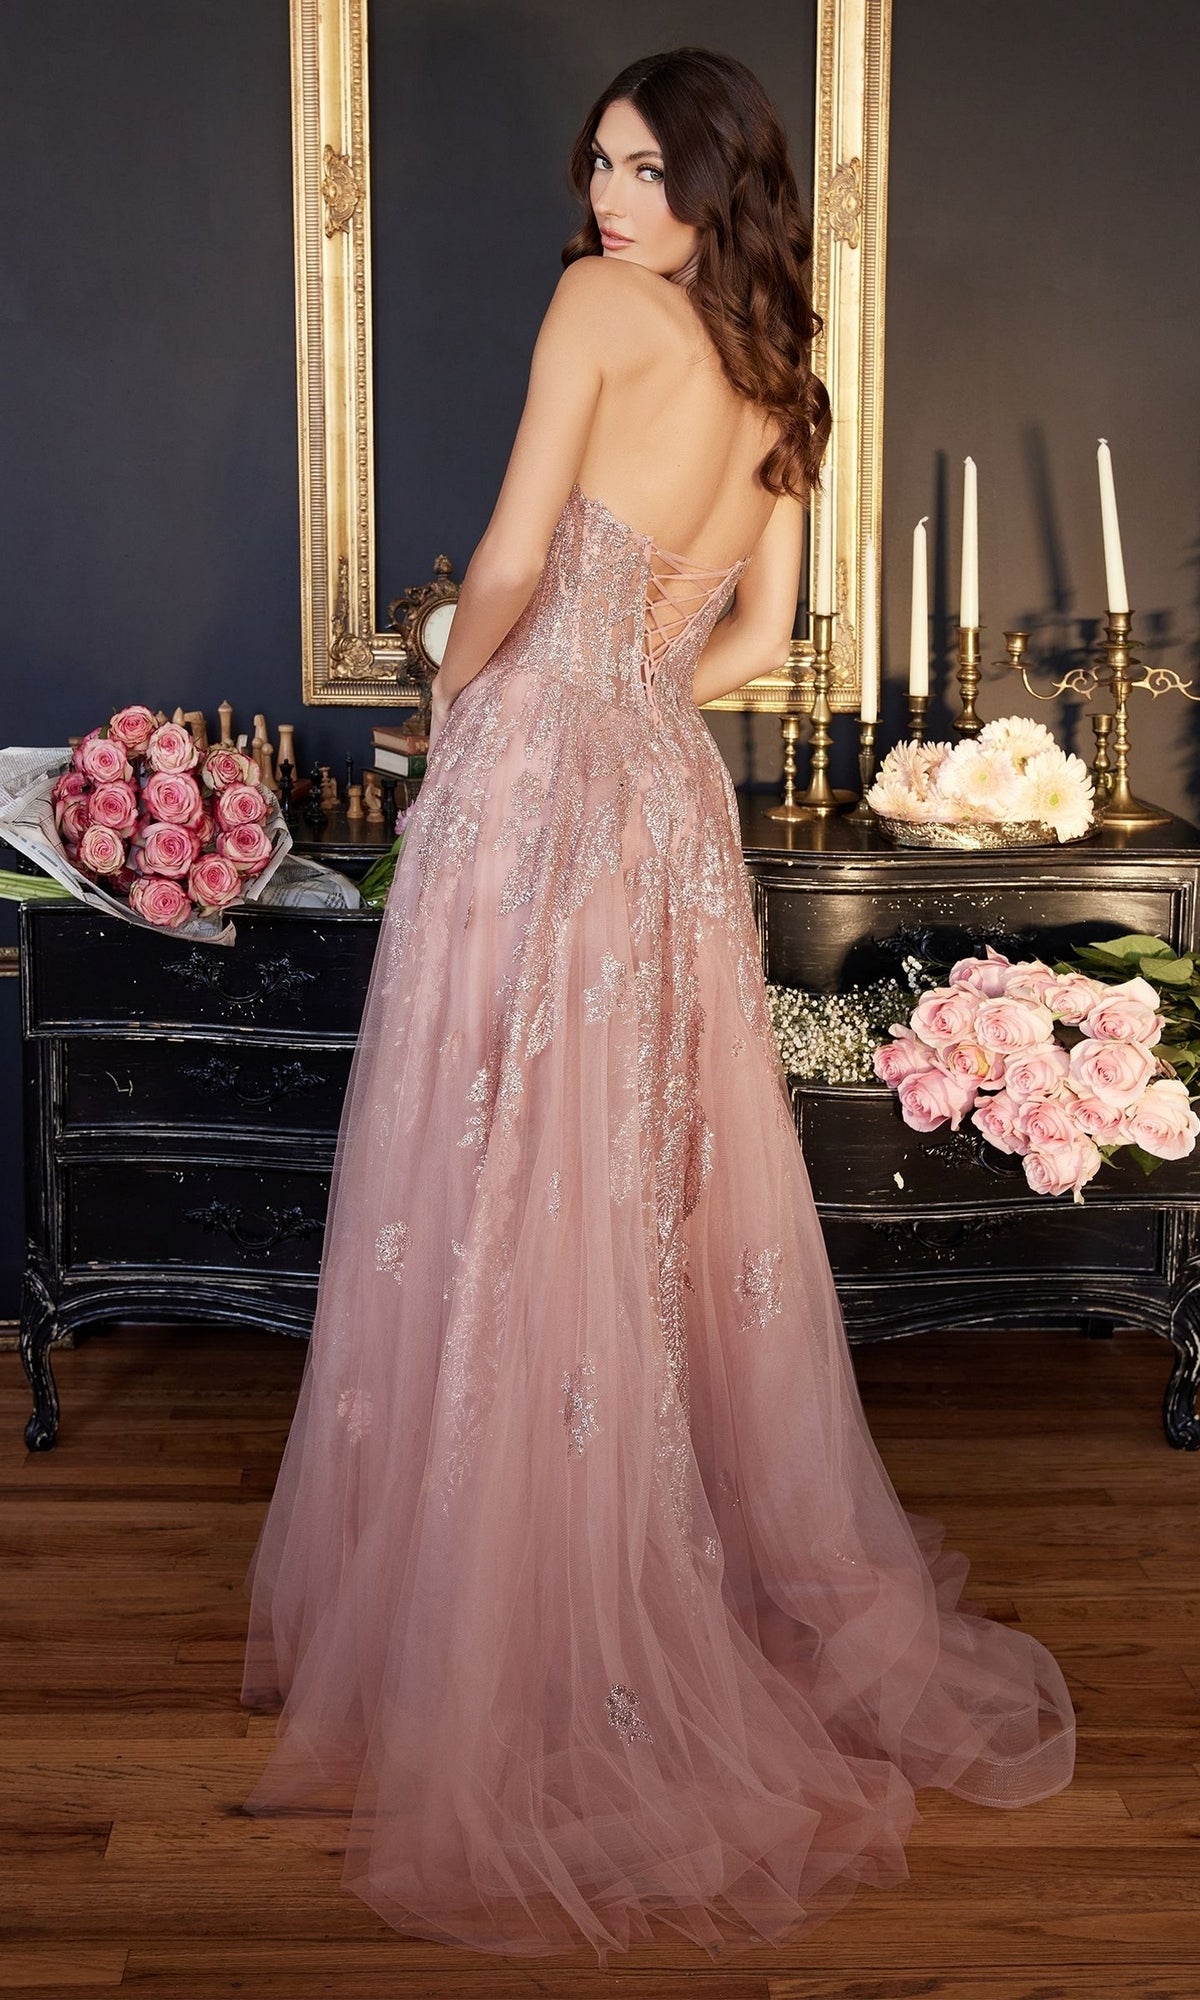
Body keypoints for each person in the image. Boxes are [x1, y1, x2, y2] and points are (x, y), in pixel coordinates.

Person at [241, 47, 1075, 1964]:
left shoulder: (598, 310)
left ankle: (510, 1609)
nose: (610, 200)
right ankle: (610, 1577)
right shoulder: (788, 387)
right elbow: (764, 643)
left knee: (502, 1149)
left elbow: (521, 558)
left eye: (641, 167)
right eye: (597, 167)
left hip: (543, 779)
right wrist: (638, 691)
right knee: (639, 1176)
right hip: (666, 808)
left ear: (711, 179)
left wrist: (468, 706)